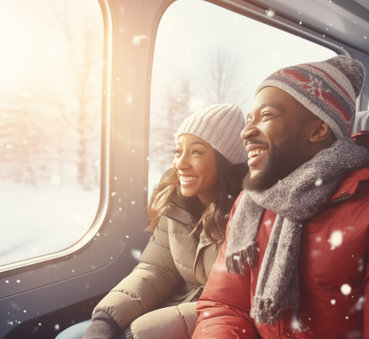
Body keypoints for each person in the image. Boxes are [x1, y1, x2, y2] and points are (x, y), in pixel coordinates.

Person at [192, 56, 369, 338]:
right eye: (249, 119)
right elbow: (224, 306)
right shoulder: (251, 203)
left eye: (266, 116)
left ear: (318, 130)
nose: (246, 131)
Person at [56, 103, 247, 339]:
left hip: (211, 325)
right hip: (168, 310)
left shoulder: (247, 216)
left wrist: (136, 331)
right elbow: (157, 269)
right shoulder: (176, 203)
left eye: (196, 152)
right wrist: (106, 319)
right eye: (178, 152)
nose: (180, 163)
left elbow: (229, 306)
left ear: (226, 161)